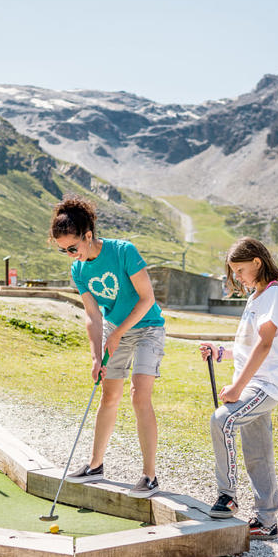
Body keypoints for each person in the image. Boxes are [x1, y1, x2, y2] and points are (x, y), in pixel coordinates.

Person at [51, 195, 166, 498]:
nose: (70, 255)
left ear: (88, 235)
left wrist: (117, 334)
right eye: (63, 250)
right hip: (115, 330)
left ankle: (150, 476)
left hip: (147, 328)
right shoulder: (78, 270)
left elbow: (147, 299)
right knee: (109, 396)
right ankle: (95, 465)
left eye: (73, 248)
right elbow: (92, 315)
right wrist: (95, 354)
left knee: (139, 395)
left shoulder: (123, 251)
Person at [200, 237, 278, 540]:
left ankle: (227, 495)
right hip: (255, 383)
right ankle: (267, 522)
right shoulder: (256, 297)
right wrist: (220, 352)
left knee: (222, 419)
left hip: (265, 385)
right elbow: (249, 347)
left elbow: (266, 345)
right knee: (258, 452)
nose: (238, 277)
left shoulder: (275, 296)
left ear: (257, 262)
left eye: (240, 270)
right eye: (234, 272)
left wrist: (237, 387)